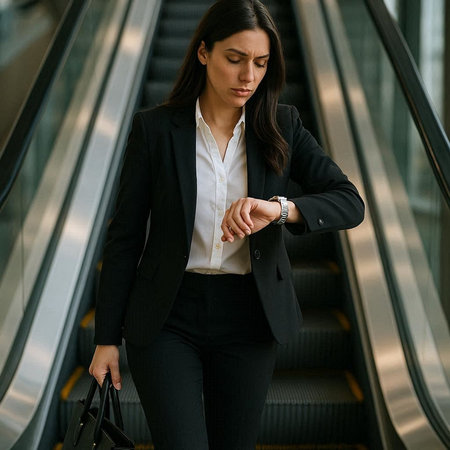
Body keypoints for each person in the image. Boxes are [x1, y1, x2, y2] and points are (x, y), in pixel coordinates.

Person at [89, 0, 364, 448]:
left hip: (249, 317)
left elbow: (349, 202)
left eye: (260, 63)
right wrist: (106, 339)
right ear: (204, 53)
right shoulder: (155, 130)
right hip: (167, 318)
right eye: (235, 59)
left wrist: (279, 209)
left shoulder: (282, 125)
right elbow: (124, 237)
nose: (248, 77)